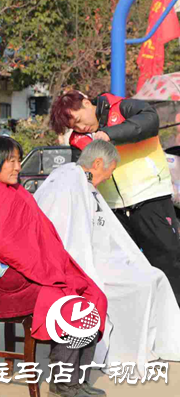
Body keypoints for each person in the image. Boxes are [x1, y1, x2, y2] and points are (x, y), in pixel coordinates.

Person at [0, 136, 108, 397]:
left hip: (26, 270)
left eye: (19, 160)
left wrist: (51, 265)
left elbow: (41, 232)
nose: (18, 167)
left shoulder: (15, 189)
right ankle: (63, 383)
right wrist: (43, 269)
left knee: (92, 294)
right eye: (11, 161)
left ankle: (77, 378)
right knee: (67, 300)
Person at [34, 140, 180, 377]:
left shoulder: (86, 184)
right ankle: (126, 354)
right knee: (138, 287)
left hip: (103, 257)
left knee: (156, 276)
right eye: (109, 172)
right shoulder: (67, 181)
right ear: (98, 163)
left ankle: (150, 346)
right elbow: (64, 232)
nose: (107, 178)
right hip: (81, 262)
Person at [50, 90, 180, 298]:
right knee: (125, 269)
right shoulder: (78, 140)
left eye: (79, 120)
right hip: (114, 210)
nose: (80, 128)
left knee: (168, 262)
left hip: (150, 198)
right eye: (74, 127)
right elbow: (85, 175)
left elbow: (149, 121)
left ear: (86, 103)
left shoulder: (122, 107)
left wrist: (111, 134)